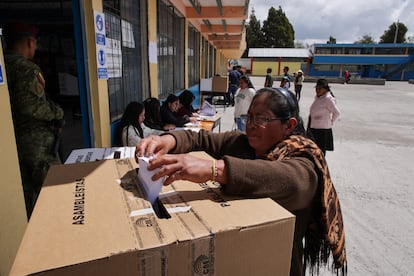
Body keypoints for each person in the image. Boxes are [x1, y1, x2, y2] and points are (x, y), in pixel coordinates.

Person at [136, 87, 347, 276]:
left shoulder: (304, 159)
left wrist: (213, 169)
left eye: (262, 119)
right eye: (250, 117)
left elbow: (291, 180)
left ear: (289, 125)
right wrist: (167, 140)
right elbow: (199, 139)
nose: (251, 125)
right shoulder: (242, 143)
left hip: (276, 264)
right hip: (234, 255)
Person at [4, 22, 64, 218]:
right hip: (37, 143)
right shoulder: (27, 69)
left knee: (26, 197)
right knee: (58, 191)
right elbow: (31, 106)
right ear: (30, 42)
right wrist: (56, 112)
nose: (36, 47)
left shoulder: (4, 64)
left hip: (12, 142)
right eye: (35, 43)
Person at [307, 79, 341, 156]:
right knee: (313, 148)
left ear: (325, 89)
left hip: (322, 129)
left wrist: (331, 122)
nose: (317, 90)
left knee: (321, 150)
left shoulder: (328, 99)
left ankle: (321, 165)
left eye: (320, 88)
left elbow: (337, 112)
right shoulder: (318, 97)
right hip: (314, 126)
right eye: (316, 88)